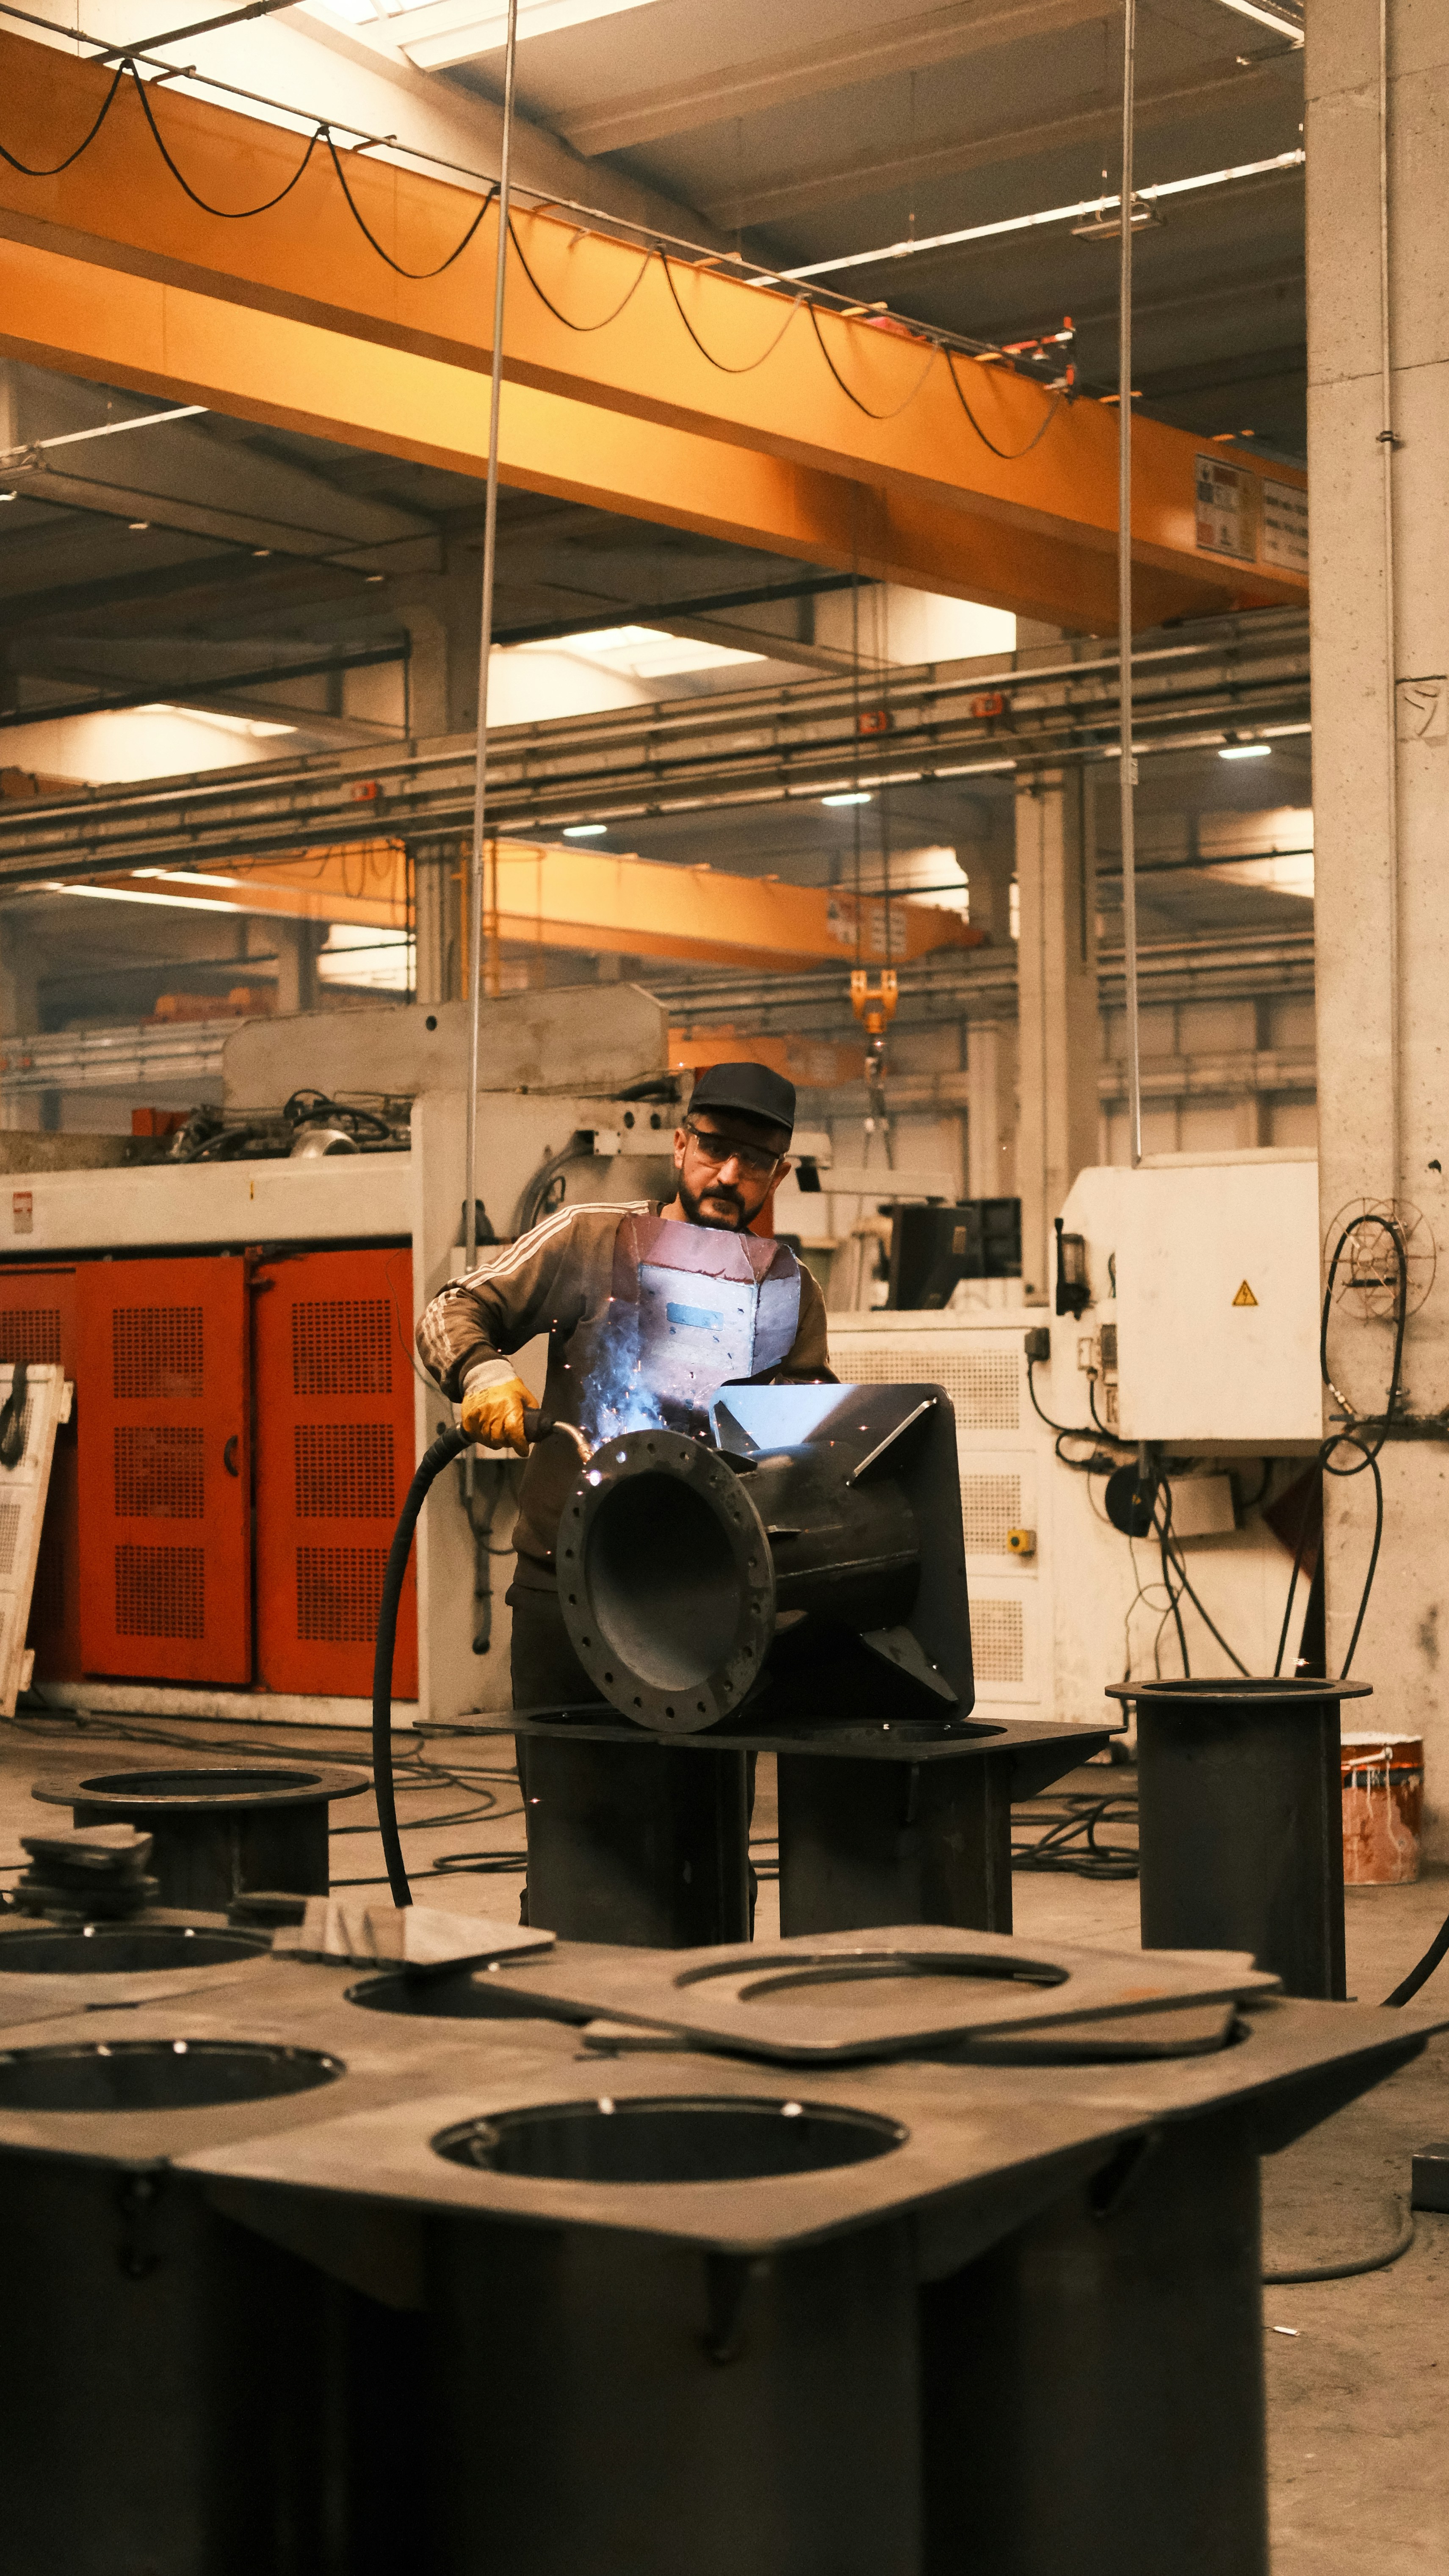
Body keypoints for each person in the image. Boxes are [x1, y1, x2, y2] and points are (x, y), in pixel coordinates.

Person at [415, 1061, 833, 1711]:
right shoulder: (589, 1237)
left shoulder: (782, 1289)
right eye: (715, 1148)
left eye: (753, 1161)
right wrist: (483, 1372)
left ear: (778, 1174)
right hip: (565, 1591)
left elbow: (803, 1448)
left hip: (707, 1600)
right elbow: (450, 1310)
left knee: (698, 1814)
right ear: (680, 1143)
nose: (727, 1175)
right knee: (572, 1810)